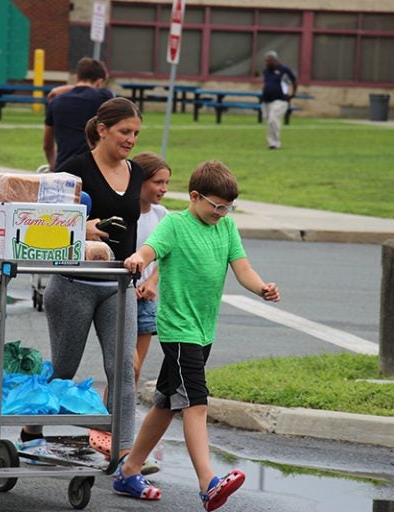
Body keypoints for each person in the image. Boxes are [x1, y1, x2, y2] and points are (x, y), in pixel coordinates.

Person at [115, 160, 280, 511]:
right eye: (216, 205)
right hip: (180, 330)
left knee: (165, 403)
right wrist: (137, 259)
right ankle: (208, 482)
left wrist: (261, 288)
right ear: (194, 196)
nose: (222, 212)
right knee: (196, 403)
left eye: (227, 207)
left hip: (205, 330)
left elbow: (243, 269)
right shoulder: (175, 224)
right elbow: (150, 250)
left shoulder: (227, 228)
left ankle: (129, 470)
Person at [18, 97, 143, 465]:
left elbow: (149, 215)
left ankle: (124, 452)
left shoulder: (135, 172)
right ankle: (30, 427)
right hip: (74, 282)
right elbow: (39, 221)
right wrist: (82, 227)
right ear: (102, 130)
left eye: (136, 133)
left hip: (119, 285)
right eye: (124, 132)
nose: (131, 139)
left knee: (122, 369)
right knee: (64, 369)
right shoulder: (75, 168)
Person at [129, 151, 171, 389]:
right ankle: (108, 421)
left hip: (145, 299)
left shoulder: (162, 215)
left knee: (134, 372)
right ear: (139, 182)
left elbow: (166, 256)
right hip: (120, 295)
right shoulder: (124, 214)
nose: (163, 188)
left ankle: (116, 423)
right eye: (158, 182)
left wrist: (152, 282)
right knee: (127, 366)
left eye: (166, 182)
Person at [43, 57, 114, 171]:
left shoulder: (56, 102)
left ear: (77, 77)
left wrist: (53, 165)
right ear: (100, 82)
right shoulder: (104, 97)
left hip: (64, 168)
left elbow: (47, 144)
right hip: (94, 169)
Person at [260, 50, 297, 150]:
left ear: (274, 60)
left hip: (280, 100)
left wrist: (293, 93)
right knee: (269, 121)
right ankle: (271, 142)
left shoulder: (284, 70)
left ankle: (275, 143)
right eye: (266, 61)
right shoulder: (266, 71)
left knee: (273, 120)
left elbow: (293, 81)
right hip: (267, 100)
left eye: (268, 61)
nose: (267, 63)